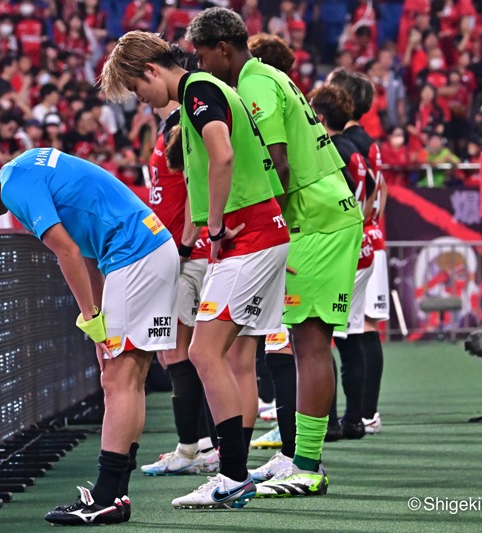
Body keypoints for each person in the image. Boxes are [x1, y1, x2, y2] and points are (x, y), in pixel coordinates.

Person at [0, 148, 179, 526]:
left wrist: (91, 318)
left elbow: (68, 251)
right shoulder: (24, 163)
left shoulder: (16, 190)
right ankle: (114, 494)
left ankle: (106, 497)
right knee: (128, 378)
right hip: (145, 249)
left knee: (118, 380)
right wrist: (99, 317)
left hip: (136, 256)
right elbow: (92, 253)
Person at [101, 30, 289, 510]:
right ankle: (234, 473)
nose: (141, 99)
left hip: (246, 236)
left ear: (150, 71)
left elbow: (222, 155)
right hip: (259, 232)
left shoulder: (198, 90)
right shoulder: (202, 92)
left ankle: (230, 476)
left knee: (205, 353)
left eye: (138, 90)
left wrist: (217, 220)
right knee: (232, 359)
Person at [183, 9, 363, 498]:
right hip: (315, 213)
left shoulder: (254, 83)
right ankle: (296, 457)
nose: (201, 68)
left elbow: (278, 165)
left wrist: (262, 224)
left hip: (316, 218)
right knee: (298, 342)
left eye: (202, 56)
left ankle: (308, 465)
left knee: (309, 342)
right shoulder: (263, 77)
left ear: (223, 48)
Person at [138, 45, 219, 477]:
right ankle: (197, 444)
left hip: (188, 254)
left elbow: (196, 187)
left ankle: (198, 447)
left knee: (181, 351)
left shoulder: (185, 121)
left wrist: (185, 247)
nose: (138, 97)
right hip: (182, 250)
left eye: (138, 86)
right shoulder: (174, 121)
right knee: (178, 352)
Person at [308, 83, 376, 442]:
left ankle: (333, 421)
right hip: (362, 245)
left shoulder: (329, 148)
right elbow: (374, 190)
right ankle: (355, 418)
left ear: (318, 117)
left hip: (339, 248)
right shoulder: (355, 147)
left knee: (322, 338)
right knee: (350, 336)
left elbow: (336, 195)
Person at [327, 70, 389, 435]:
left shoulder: (346, 144)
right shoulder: (369, 141)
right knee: (365, 325)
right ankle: (366, 412)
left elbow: (359, 197)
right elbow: (382, 193)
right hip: (374, 236)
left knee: (356, 328)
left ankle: (362, 413)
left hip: (358, 239)